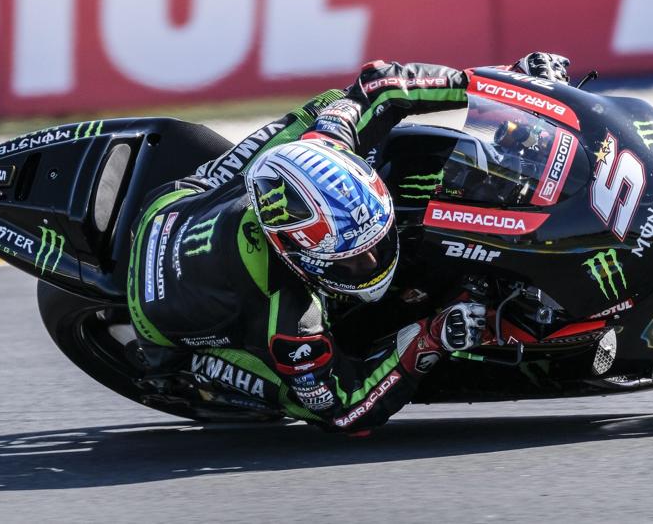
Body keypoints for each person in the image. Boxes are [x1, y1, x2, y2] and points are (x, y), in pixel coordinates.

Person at [126, 52, 571, 432]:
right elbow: (343, 408)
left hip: (180, 201)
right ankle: (173, 367)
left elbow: (381, 83)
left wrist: (509, 83)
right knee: (299, 396)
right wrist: (428, 340)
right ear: (303, 259)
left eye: (376, 242)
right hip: (161, 311)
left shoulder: (328, 140)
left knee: (330, 106)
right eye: (355, 261)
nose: (376, 261)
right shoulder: (292, 319)